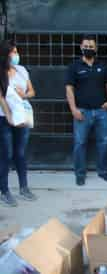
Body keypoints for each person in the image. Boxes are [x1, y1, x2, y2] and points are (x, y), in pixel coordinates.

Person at [65, 34, 107, 186]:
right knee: (80, 143)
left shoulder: (103, 65)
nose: (88, 49)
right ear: (81, 48)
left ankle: (102, 171)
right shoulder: (74, 67)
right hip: (82, 112)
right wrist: (73, 109)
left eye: (91, 47)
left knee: (103, 141)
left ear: (96, 48)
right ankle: (80, 174)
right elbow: (69, 89)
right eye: (85, 46)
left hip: (101, 112)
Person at [0, 40, 37, 207]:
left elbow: (32, 91)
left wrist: (25, 95)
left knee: (20, 154)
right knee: (6, 155)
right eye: (13, 52)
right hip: (4, 118)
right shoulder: (1, 72)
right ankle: (5, 191)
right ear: (5, 54)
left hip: (22, 117)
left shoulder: (22, 71)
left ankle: (24, 187)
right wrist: (8, 116)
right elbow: (1, 98)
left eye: (17, 52)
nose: (16, 55)